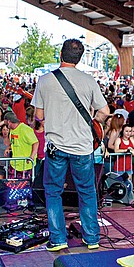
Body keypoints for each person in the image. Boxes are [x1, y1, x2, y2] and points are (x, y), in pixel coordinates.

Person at [32, 39, 109, 252]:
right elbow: (105, 112)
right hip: (83, 147)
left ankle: (58, 239)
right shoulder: (89, 80)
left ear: (60, 54)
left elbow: (38, 115)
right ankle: (92, 238)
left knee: (53, 192)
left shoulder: (45, 80)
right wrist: (93, 120)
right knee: (87, 192)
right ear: (81, 57)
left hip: (56, 146)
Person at [3, 111, 38, 179]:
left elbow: (35, 142)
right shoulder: (12, 130)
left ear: (9, 122)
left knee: (24, 187)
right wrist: (8, 148)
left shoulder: (25, 129)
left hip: (25, 165)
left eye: (6, 123)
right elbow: (14, 142)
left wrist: (32, 156)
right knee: (11, 186)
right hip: (14, 164)